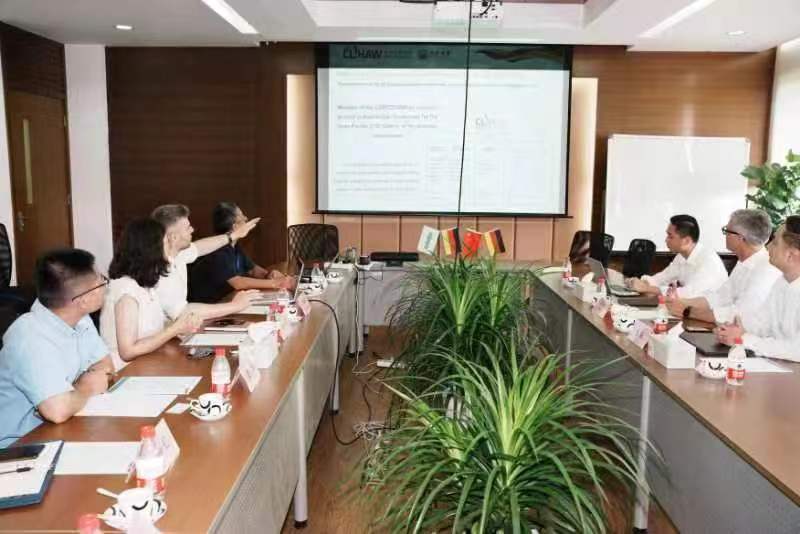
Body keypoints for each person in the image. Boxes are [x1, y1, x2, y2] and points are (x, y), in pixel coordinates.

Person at [0, 249, 112, 447]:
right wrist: (86, 387)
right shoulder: (29, 336)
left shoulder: (78, 317)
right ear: (83, 299)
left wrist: (71, 395)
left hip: (60, 429)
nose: (105, 285)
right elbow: (57, 411)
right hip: (16, 447)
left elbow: (105, 366)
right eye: (101, 281)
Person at [100, 218, 205, 370]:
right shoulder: (126, 290)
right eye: (166, 242)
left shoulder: (146, 284)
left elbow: (151, 330)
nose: (170, 246)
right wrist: (174, 329)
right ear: (151, 249)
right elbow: (128, 352)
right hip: (125, 371)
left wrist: (181, 326)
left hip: (150, 362)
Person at [666, 209, 780, 324]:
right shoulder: (744, 262)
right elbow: (719, 298)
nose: (725, 235)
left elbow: (739, 314)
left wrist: (688, 311)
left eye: (727, 231)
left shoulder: (767, 269)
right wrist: (681, 302)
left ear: (740, 238)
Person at [151, 204, 260, 320]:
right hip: (168, 329)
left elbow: (201, 247)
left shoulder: (178, 254)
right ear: (173, 237)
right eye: (188, 228)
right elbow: (183, 312)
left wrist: (233, 235)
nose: (192, 230)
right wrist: (235, 306)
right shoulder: (161, 272)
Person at [717, 216, 800, 361]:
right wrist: (734, 329)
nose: (768, 246)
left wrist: (744, 338)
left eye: (775, 242)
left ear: (790, 255)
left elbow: (796, 350)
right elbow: (762, 323)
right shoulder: (781, 282)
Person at [189, 202, 293, 304]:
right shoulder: (218, 251)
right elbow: (238, 282)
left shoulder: (235, 246)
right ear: (235, 227)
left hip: (228, 300)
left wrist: (269, 274)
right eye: (242, 216)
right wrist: (275, 283)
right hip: (209, 306)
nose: (246, 218)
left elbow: (252, 270)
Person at [627, 214, 727, 299]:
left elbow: (687, 294)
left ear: (686, 241)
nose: (666, 240)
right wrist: (639, 283)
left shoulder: (709, 261)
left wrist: (647, 288)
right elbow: (662, 278)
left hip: (713, 313)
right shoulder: (681, 256)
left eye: (670, 236)